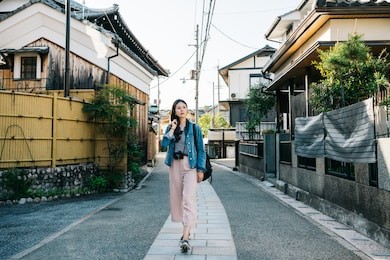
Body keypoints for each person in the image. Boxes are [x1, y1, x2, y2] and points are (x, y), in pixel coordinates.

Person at [161, 99, 207, 253]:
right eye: (178, 108)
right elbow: (164, 144)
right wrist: (172, 129)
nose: (181, 110)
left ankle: (186, 237)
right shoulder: (170, 127)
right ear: (174, 110)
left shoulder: (194, 128)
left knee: (188, 199)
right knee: (177, 199)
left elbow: (201, 149)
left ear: (188, 110)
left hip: (190, 166)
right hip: (174, 165)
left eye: (184, 107)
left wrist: (201, 169)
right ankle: (185, 232)